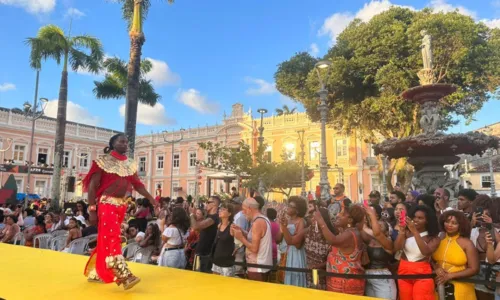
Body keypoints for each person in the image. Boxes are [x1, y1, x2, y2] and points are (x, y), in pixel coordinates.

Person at [82, 133, 155, 290]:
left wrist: (151, 198)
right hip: (106, 203)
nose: (125, 144)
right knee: (113, 237)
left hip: (121, 206)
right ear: (113, 143)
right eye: (121, 141)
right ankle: (123, 275)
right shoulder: (102, 161)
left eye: (126, 142)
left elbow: (137, 185)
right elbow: (93, 186)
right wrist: (92, 209)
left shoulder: (130, 164)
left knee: (106, 238)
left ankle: (97, 272)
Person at [313, 204, 366, 296]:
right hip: (339, 281)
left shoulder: (350, 234)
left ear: (350, 220)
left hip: (346, 284)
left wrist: (321, 221)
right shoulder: (347, 232)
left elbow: (332, 240)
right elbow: (340, 257)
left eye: (342, 214)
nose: (337, 215)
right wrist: (321, 265)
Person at [394, 205, 440, 300]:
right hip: (403, 271)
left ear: (427, 220)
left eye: (420, 218)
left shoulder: (434, 238)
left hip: (422, 274)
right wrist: (402, 231)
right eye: (414, 217)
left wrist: (415, 232)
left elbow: (425, 252)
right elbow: (397, 248)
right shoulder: (406, 233)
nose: (415, 220)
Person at [433, 210, 478, 299]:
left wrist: (450, 276)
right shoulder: (439, 239)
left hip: (461, 289)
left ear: (460, 225)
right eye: (447, 221)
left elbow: (474, 269)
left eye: (454, 223)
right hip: (439, 286)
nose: (449, 225)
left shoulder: (467, 243)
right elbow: (431, 260)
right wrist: (436, 267)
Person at [232, 198, 273, 282]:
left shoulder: (258, 222)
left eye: (244, 209)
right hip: (260, 266)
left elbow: (254, 248)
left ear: (250, 208)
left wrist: (241, 238)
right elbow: (254, 238)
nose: (243, 212)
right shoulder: (262, 219)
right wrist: (241, 230)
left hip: (258, 267)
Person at [364, 206, 397, 300]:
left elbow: (377, 233)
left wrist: (372, 215)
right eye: (376, 225)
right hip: (368, 277)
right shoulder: (371, 239)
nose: (376, 227)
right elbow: (364, 228)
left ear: (387, 232)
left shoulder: (388, 243)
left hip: (383, 279)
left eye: (380, 226)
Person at [277, 196, 307, 287]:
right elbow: (278, 239)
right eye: (288, 205)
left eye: (290, 206)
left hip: (295, 254)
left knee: (294, 279)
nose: (287, 208)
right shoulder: (287, 220)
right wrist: (282, 227)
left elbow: (297, 244)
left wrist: (284, 227)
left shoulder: (301, 221)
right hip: (285, 252)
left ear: (297, 210)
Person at [304, 200, 334, 290]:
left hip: (323, 274)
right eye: (312, 217)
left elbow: (331, 259)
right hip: (310, 272)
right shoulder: (309, 230)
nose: (312, 219)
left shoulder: (330, 236)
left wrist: (318, 266)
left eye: (314, 218)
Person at [189, 196, 220, 273]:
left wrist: (191, 215)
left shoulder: (214, 218)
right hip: (202, 253)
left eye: (208, 202)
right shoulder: (209, 217)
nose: (206, 204)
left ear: (214, 204)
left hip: (205, 254)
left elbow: (195, 227)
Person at [212, 203, 236, 277]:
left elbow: (241, 240)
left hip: (226, 263)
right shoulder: (219, 225)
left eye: (223, 209)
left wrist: (237, 248)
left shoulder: (232, 227)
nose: (220, 211)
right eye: (220, 209)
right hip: (216, 260)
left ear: (229, 213)